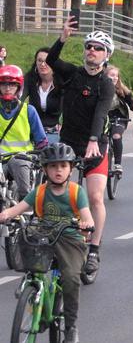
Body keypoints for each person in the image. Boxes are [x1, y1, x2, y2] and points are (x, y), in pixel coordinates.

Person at [0, 143, 94, 343]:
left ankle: (70, 327)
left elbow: (87, 216)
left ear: (70, 168)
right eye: (53, 166)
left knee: (70, 279)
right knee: (30, 257)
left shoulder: (77, 192)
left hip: (70, 239)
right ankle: (34, 295)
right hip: (44, 235)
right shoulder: (40, 192)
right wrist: (5, 214)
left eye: (63, 166)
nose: (58, 170)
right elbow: (19, 208)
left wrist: (87, 223)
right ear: (44, 169)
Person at [46, 19, 115, 275]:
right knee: (57, 192)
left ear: (106, 54)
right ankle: (52, 237)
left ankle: (94, 249)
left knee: (96, 196)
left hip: (95, 144)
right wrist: (63, 37)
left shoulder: (106, 84)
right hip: (69, 142)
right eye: (89, 47)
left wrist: (94, 141)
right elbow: (51, 61)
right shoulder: (74, 74)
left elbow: (100, 113)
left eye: (98, 48)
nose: (92, 51)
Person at [0, 65, 48, 199]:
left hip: (22, 158)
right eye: (3, 84)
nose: (7, 88)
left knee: (18, 164)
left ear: (18, 87)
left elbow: (41, 141)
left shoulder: (28, 110)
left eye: (12, 85)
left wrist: (43, 156)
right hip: (1, 159)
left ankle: (25, 204)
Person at [23, 47, 64, 143]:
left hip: (54, 131)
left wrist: (65, 125)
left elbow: (68, 106)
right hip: (32, 129)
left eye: (46, 61)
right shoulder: (29, 79)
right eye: (39, 61)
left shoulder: (61, 81)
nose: (42, 64)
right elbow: (19, 99)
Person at [105, 65, 133, 174]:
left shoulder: (122, 90)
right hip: (104, 118)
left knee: (116, 135)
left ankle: (117, 164)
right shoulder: (99, 88)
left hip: (120, 118)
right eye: (112, 75)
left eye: (116, 76)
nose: (114, 78)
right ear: (105, 76)